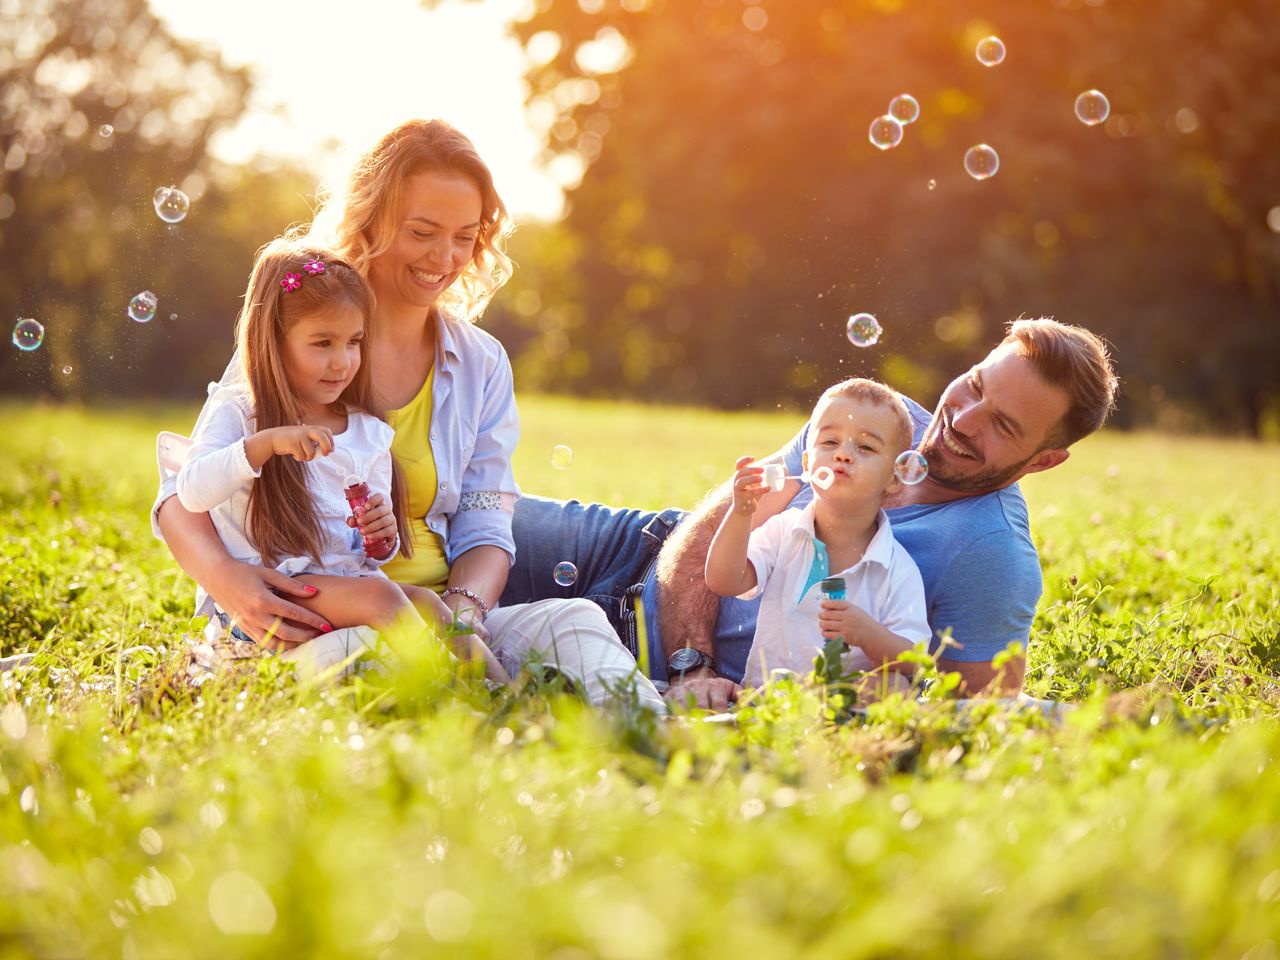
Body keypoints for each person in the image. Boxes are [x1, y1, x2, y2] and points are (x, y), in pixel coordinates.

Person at [154, 119, 664, 710]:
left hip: (434, 617)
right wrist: (228, 582)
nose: (444, 258)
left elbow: (485, 518)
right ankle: (502, 724)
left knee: (573, 619)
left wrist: (464, 615)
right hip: (314, 621)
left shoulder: (479, 362)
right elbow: (180, 491)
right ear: (371, 221)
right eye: (423, 231)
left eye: (465, 237)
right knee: (375, 662)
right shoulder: (302, 333)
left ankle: (650, 735)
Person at [501, 318, 1118, 708]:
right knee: (454, 523)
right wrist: (694, 662)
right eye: (976, 385)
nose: (962, 418)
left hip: (644, 656)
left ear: (1043, 461)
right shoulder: (880, 415)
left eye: (1003, 425)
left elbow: (982, 712)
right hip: (637, 549)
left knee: (451, 626)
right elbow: (716, 522)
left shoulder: (993, 557)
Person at [174, 239, 505, 680]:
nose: (342, 362)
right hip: (272, 595)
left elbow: (370, 555)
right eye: (322, 343)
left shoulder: (366, 431)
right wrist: (265, 444)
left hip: (340, 587)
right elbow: (191, 492)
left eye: (354, 342)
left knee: (426, 603)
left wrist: (381, 536)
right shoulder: (240, 411)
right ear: (272, 339)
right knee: (386, 602)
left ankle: (507, 697)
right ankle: (452, 694)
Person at [705, 378, 930, 689]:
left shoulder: (895, 568)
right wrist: (741, 514)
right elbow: (722, 580)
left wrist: (866, 633)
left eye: (865, 447)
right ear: (808, 463)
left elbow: (915, 659)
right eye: (829, 442)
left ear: (894, 479)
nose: (843, 455)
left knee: (894, 686)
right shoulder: (784, 531)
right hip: (770, 701)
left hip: (844, 706)